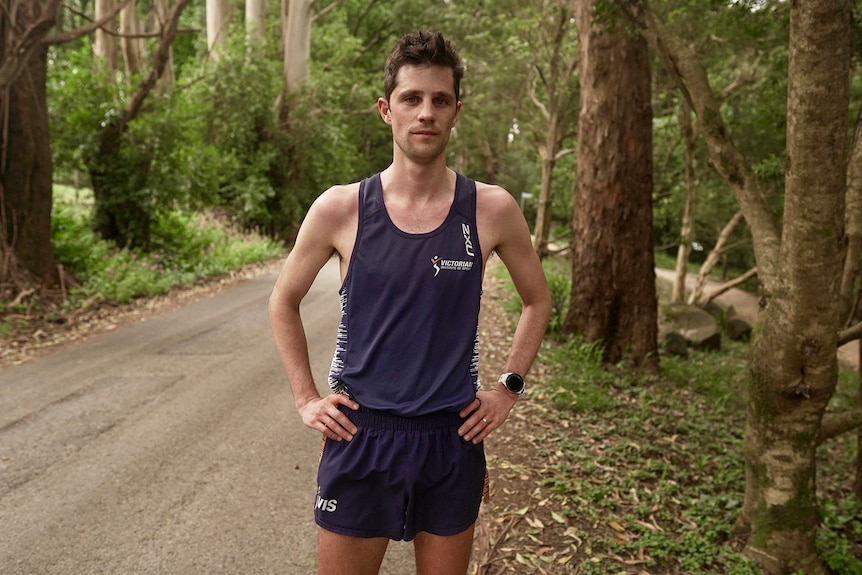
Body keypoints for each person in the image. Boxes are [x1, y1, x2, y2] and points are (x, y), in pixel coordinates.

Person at [268, 30, 552, 575]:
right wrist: (306, 399)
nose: (426, 113)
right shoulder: (341, 209)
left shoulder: (490, 210)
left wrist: (507, 389)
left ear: (456, 111)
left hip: (451, 439)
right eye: (411, 99)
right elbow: (284, 301)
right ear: (386, 109)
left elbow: (537, 301)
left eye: (440, 100)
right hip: (360, 436)